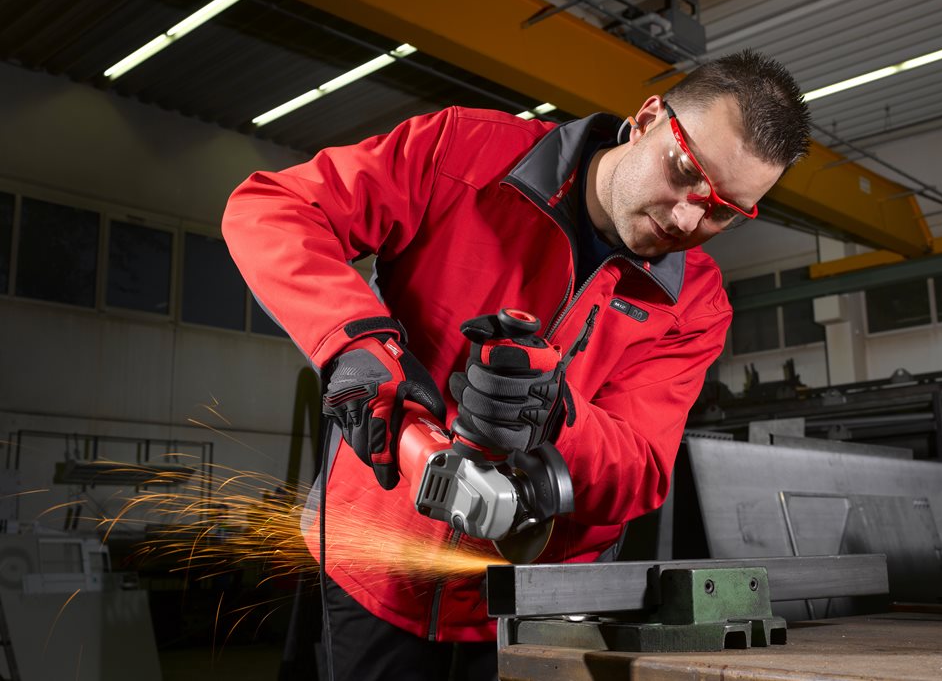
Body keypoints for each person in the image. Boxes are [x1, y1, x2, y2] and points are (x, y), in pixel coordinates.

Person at [222, 48, 810, 680]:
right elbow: (271, 209)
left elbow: (640, 470)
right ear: (646, 120)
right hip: (377, 562)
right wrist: (356, 346)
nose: (687, 216)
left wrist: (555, 416)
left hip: (539, 600)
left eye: (723, 210)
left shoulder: (695, 303)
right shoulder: (463, 153)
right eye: (685, 171)